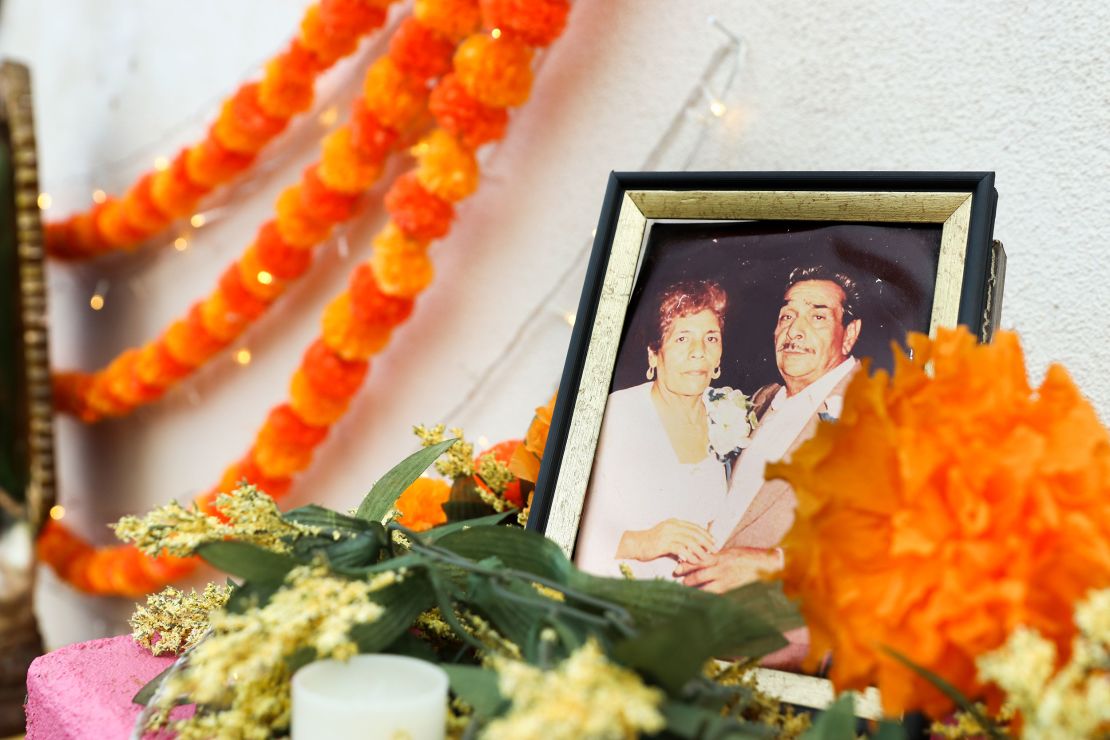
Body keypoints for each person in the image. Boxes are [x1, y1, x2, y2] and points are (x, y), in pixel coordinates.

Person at [676, 265, 863, 593]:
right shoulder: (761, 399)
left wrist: (769, 564)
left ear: (849, 334)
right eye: (787, 316)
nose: (794, 332)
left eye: (817, 317)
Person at [575, 280, 731, 580]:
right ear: (653, 354)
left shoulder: (730, 414)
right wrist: (644, 542)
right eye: (682, 339)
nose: (699, 352)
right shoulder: (611, 417)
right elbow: (565, 525)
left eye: (711, 338)